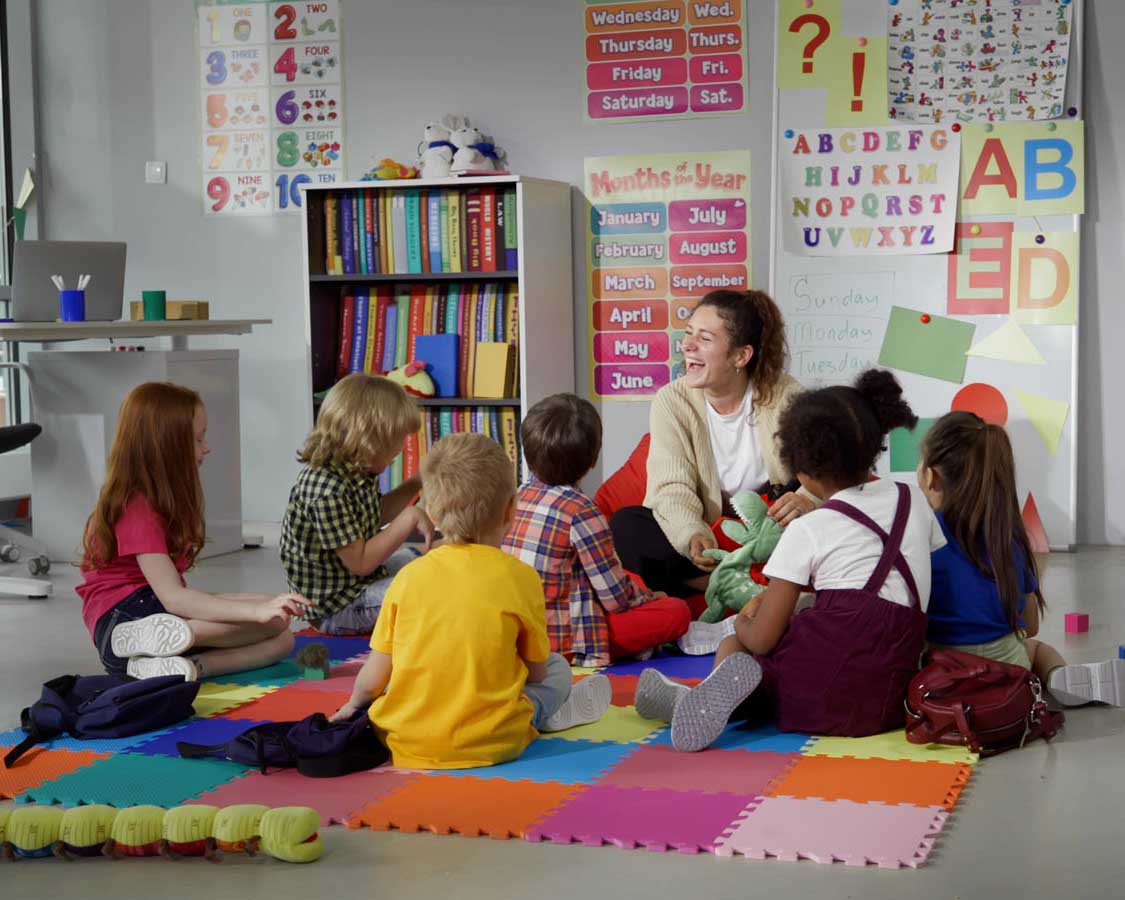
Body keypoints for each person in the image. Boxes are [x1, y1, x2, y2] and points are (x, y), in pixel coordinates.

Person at [636, 370, 943, 750]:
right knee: (806, 624)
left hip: (818, 696)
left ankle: (697, 702)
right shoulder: (912, 499)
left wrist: (744, 621)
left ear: (802, 470)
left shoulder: (808, 528)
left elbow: (763, 639)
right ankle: (697, 700)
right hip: (888, 698)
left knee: (734, 648)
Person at [331, 433, 612, 769]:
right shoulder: (520, 577)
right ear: (511, 510)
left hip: (403, 741)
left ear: (431, 513)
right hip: (497, 739)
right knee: (557, 667)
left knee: (407, 668)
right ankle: (542, 716)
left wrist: (351, 707)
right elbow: (536, 673)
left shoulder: (407, 578)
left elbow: (372, 678)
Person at [77, 382, 310, 681]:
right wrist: (255, 613)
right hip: (123, 623)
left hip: (149, 621)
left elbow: (178, 596)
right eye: (198, 439)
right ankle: (176, 636)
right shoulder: (136, 507)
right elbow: (174, 598)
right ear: (167, 446)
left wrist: (264, 604)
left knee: (282, 637)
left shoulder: (152, 500)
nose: (207, 447)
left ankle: (188, 666)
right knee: (272, 622)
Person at [610, 289, 816, 599]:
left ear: (740, 356)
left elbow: (825, 468)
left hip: (770, 524)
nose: (688, 345)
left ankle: (746, 584)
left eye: (705, 339)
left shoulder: (785, 395)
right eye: (689, 333)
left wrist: (807, 497)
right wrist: (691, 534)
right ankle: (727, 586)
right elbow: (671, 487)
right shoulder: (672, 401)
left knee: (815, 506)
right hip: (712, 532)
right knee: (627, 524)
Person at [919, 411, 1125, 707]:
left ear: (930, 476)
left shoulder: (920, 534)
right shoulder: (1008, 537)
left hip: (942, 673)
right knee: (1038, 649)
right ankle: (1058, 677)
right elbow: (1030, 625)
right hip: (1009, 672)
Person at [503, 394, 691, 667]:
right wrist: (649, 597)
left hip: (517, 633)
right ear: (592, 461)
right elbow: (615, 599)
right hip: (562, 642)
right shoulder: (581, 511)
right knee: (676, 612)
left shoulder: (518, 495)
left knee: (628, 578)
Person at [280, 374, 433, 635]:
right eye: (395, 440)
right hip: (340, 609)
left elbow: (372, 517)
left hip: (359, 582)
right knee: (428, 590)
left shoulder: (355, 471)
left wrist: (416, 483)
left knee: (432, 563)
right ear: (368, 439)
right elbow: (361, 562)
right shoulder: (326, 489)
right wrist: (408, 518)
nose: (400, 448)